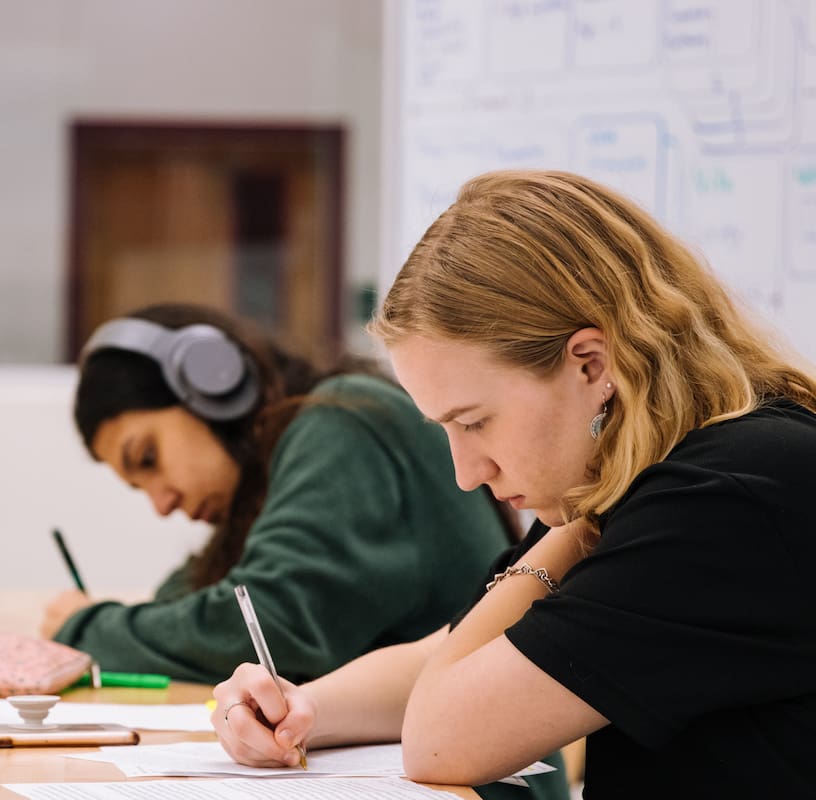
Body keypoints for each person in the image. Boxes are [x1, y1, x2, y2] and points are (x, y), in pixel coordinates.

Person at [211, 170, 816, 798]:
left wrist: (577, 527)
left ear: (592, 364)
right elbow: (445, 656)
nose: (466, 472)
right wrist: (296, 710)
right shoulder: (654, 468)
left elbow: (442, 738)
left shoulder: (725, 495)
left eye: (474, 422)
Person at [39, 302, 517, 688]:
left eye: (148, 459)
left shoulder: (345, 424)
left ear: (212, 381)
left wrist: (85, 628)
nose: (162, 505)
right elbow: (182, 606)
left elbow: (270, 626)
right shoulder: (272, 473)